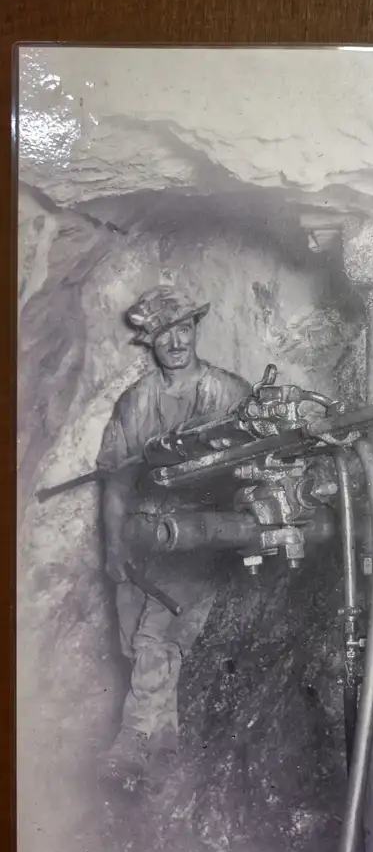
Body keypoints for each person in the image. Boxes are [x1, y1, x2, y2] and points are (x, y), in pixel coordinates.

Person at [96, 286, 251, 785]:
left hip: (199, 533)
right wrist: (114, 546)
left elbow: (257, 471)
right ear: (150, 341)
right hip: (142, 533)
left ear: (195, 329)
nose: (177, 342)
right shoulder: (135, 402)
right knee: (134, 641)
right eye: (165, 334)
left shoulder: (229, 394)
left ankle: (132, 740)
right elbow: (116, 481)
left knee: (155, 636)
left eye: (183, 329)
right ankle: (164, 746)